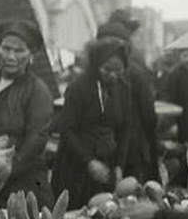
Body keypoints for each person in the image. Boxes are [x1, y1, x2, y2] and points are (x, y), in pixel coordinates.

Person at [0, 19, 54, 206]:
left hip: (21, 182)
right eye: (6, 48)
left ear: (31, 54)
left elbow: (36, 140)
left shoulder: (37, 91)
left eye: (19, 51)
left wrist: (5, 172)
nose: (11, 56)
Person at [52, 37, 131, 209]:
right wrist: (89, 161)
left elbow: (125, 129)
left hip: (106, 162)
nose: (113, 75)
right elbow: (66, 130)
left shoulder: (123, 88)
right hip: (76, 163)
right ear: (96, 66)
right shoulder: (79, 87)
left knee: (105, 210)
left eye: (118, 70)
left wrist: (119, 165)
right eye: (107, 69)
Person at [97, 20, 158, 183]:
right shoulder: (137, 73)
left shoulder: (92, 74)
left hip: (108, 152)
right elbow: (149, 116)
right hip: (131, 150)